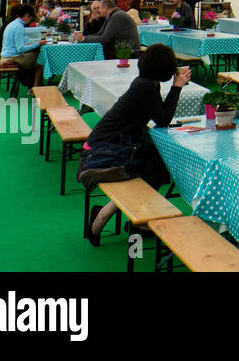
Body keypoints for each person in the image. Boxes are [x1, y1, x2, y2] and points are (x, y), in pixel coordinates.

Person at [79, 44, 191, 243]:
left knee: (157, 162)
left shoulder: (145, 82)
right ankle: (118, 217)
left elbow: (159, 116)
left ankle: (126, 217)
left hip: (109, 143)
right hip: (104, 151)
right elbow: (163, 119)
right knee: (157, 165)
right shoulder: (146, 86)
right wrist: (176, 87)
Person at [76, 0, 142, 60]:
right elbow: (99, 34)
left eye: (100, 8)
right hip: (120, 49)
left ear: (105, 8)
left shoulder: (117, 16)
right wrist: (84, 37)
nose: (99, 11)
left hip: (127, 52)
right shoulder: (111, 16)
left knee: (91, 55)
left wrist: (83, 39)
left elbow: (104, 39)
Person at [0, 4, 42, 86]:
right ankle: (36, 86)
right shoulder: (19, 27)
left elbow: (21, 40)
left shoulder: (13, 24)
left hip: (6, 54)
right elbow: (20, 49)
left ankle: (33, 85)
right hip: (12, 57)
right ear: (26, 16)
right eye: (30, 17)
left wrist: (33, 42)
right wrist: (37, 44)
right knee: (39, 60)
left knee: (35, 58)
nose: (30, 19)